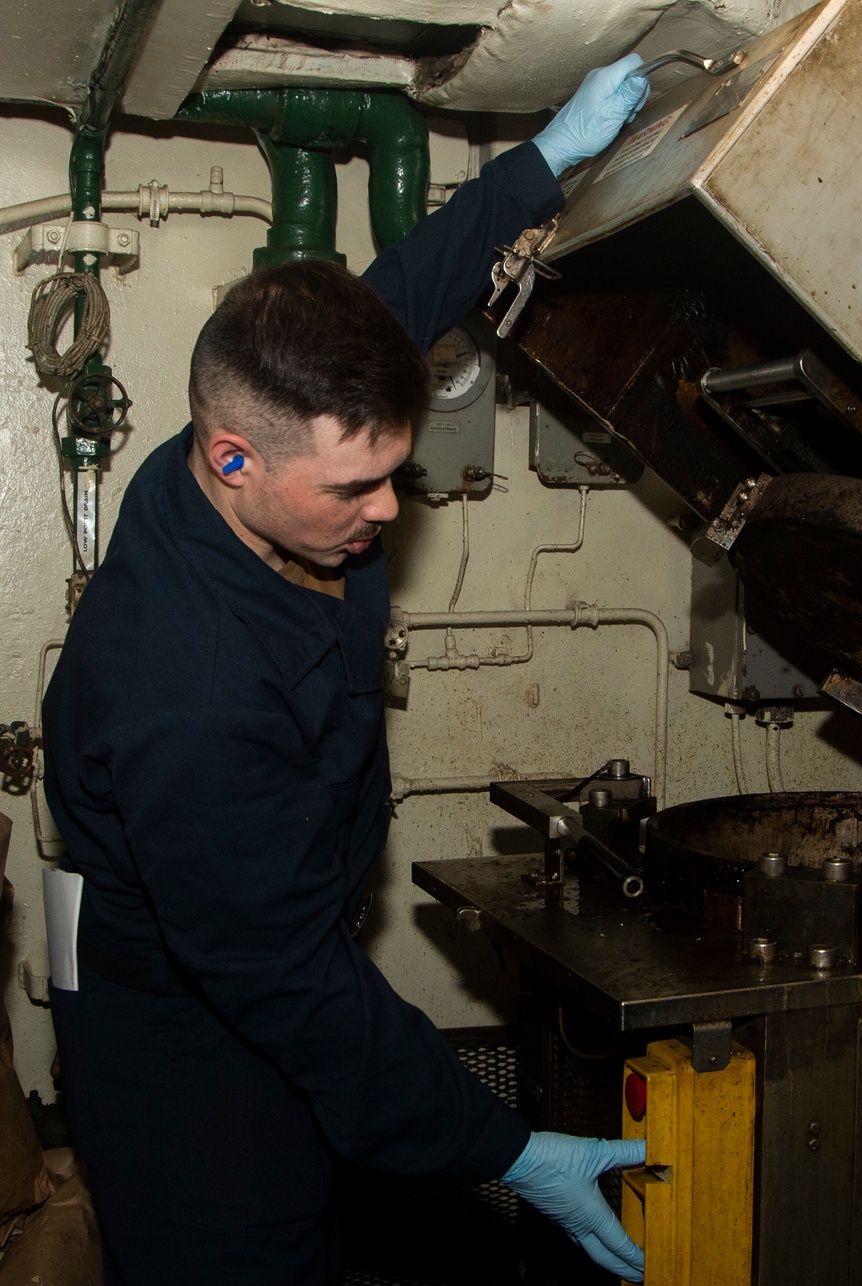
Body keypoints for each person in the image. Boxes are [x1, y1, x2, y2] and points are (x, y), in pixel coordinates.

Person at [41, 56, 650, 1285]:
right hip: (193, 1063)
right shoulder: (183, 686)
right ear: (230, 459)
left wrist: (541, 161)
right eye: (352, 489)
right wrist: (508, 1144)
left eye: (394, 470)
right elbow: (285, 983)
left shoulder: (269, 418)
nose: (386, 510)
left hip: (273, 973)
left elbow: (396, 293)